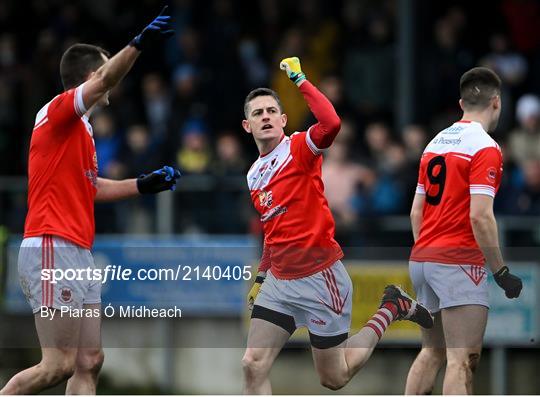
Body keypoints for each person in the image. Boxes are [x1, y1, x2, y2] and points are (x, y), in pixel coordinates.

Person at [0, 7, 179, 395]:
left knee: (89, 360)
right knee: (57, 366)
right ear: (89, 77)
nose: (112, 80)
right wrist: (138, 45)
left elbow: (90, 187)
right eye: (103, 72)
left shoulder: (81, 130)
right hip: (53, 244)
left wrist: (142, 185)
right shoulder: (56, 111)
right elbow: (106, 78)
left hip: (77, 251)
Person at [241, 57, 433, 394]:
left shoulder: (298, 148)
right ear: (248, 126)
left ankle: (392, 307)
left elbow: (330, 122)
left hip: (320, 278)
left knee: (334, 378)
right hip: (280, 283)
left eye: (272, 111)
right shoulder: (253, 174)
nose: (266, 117)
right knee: (252, 364)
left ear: (283, 120)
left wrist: (299, 78)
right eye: (258, 113)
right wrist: (261, 276)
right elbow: (273, 229)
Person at [405, 67, 523, 395]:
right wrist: (500, 271)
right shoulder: (486, 147)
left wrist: (429, 252)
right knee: (462, 359)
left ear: (461, 102)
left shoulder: (434, 143)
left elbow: (416, 211)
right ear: (496, 103)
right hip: (457, 259)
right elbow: (481, 217)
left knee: (432, 352)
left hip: (423, 257)